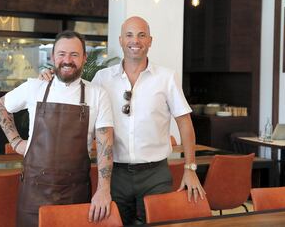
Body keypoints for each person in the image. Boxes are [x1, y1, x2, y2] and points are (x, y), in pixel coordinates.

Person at [40, 16, 205, 225]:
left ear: (150, 40)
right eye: (129, 35)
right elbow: (72, 92)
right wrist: (50, 78)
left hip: (155, 174)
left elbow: (185, 124)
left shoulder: (167, 78)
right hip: (115, 176)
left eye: (141, 35)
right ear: (120, 40)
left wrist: (190, 169)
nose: (135, 41)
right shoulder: (102, 78)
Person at [0, 30, 114, 227]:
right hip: (34, 193)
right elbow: (0, 106)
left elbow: (105, 146)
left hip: (76, 192)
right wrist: (16, 142)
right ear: (52, 57)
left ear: (84, 58)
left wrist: (103, 190)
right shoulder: (35, 87)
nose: (67, 60)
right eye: (62, 54)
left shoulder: (97, 94)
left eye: (74, 55)